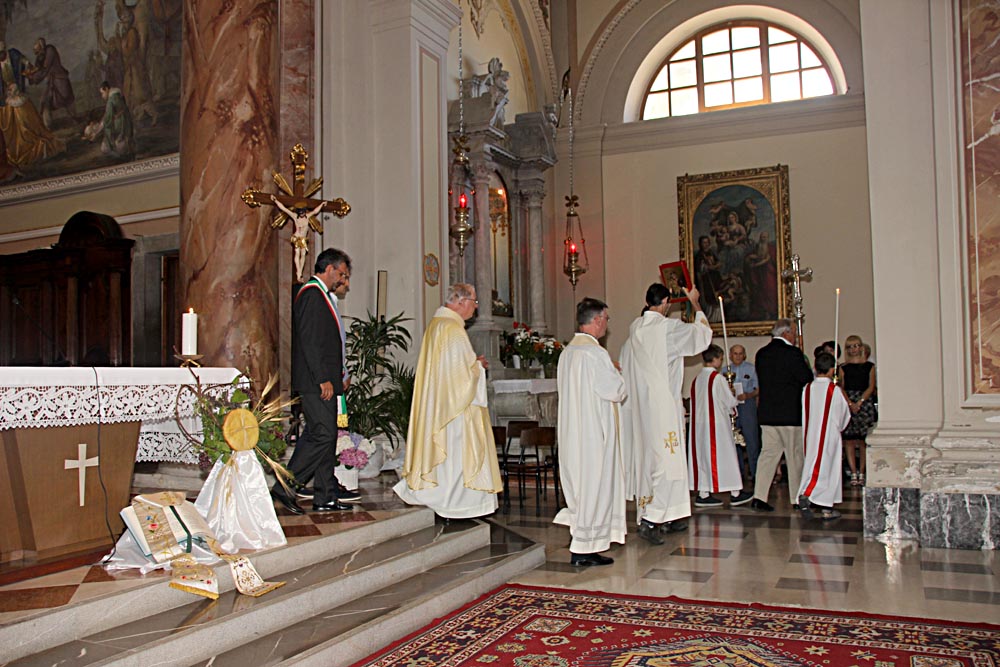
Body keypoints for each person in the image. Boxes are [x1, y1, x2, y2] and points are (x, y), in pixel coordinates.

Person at [394, 283, 502, 518]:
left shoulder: (438, 325)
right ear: (461, 302)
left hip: (441, 406)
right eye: (474, 302)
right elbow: (460, 379)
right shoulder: (452, 329)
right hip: (454, 412)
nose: (475, 307)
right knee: (455, 458)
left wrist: (473, 365)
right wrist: (478, 367)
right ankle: (453, 502)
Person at [619, 283, 711, 545]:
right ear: (667, 302)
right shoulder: (666, 328)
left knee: (655, 462)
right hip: (663, 407)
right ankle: (651, 519)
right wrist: (695, 303)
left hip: (642, 408)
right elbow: (701, 337)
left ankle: (670, 514)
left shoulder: (636, 329)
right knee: (666, 464)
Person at [271, 248, 354, 514]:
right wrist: (322, 379)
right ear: (329, 269)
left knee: (324, 436)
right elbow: (310, 341)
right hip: (315, 382)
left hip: (325, 380)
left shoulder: (322, 296)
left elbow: (329, 342)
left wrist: (338, 376)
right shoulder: (311, 295)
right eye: (342, 275)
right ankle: (284, 487)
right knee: (322, 434)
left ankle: (325, 496)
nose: (344, 281)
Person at [554, 298, 627, 566]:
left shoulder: (568, 353)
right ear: (596, 320)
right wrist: (617, 374)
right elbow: (616, 391)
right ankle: (585, 549)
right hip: (593, 434)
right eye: (606, 319)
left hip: (573, 433)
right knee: (595, 488)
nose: (607, 324)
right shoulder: (595, 353)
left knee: (581, 490)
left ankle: (584, 545)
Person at [751, 318, 814, 512]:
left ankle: (759, 496)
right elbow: (806, 378)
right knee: (794, 455)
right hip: (789, 414)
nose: (795, 336)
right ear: (786, 333)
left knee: (768, 455)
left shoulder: (762, 354)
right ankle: (796, 497)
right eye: (794, 332)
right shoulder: (793, 353)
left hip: (767, 413)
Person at [689, 344, 754, 508]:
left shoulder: (697, 379)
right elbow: (729, 401)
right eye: (721, 358)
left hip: (700, 426)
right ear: (716, 359)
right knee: (727, 457)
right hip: (716, 425)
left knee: (703, 458)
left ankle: (703, 493)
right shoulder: (717, 378)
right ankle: (735, 493)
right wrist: (733, 397)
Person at [797, 352, 851, 520]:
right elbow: (843, 414)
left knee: (816, 465)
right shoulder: (834, 390)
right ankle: (806, 495)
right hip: (828, 435)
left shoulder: (807, 388)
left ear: (815, 368)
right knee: (825, 467)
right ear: (832, 370)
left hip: (811, 433)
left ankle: (827, 507)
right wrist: (839, 428)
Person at [839, 335, 877, 486]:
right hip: (849, 401)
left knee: (863, 440)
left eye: (856, 346)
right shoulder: (842, 367)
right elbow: (841, 387)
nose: (854, 349)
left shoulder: (869, 366)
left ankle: (862, 471)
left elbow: (871, 386)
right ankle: (853, 472)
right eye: (850, 347)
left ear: (861, 347)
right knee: (849, 440)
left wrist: (860, 402)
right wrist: (850, 403)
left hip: (864, 402)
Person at [0, 82, 65, 166]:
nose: (7, 92)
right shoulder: (14, 103)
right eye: (8, 90)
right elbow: (6, 116)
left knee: (28, 142)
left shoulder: (21, 102)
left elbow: (32, 120)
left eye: (9, 90)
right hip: (19, 135)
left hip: (27, 134)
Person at [270, 195, 325, 283]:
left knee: (303, 254)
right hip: (297, 237)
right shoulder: (295, 216)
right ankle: (298, 272)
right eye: (301, 213)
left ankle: (300, 272)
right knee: (297, 253)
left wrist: (321, 204)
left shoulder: (307, 216)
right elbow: (284, 209)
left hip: (303, 239)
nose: (302, 214)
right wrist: (275, 200)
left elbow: (315, 211)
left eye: (303, 212)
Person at [26, 38, 76, 129]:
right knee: (45, 101)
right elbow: (38, 68)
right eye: (36, 52)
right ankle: (47, 126)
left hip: (60, 80)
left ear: (41, 47)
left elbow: (45, 69)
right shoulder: (41, 56)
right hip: (51, 82)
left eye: (38, 51)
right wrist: (31, 73)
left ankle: (74, 119)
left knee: (67, 99)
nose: (37, 54)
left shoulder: (50, 50)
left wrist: (33, 78)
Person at [729, 344, 761, 479]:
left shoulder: (751, 369)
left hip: (747, 405)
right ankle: (738, 474)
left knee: (751, 440)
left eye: (740, 353)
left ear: (744, 355)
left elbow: (758, 389)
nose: (738, 356)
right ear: (730, 355)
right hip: (732, 407)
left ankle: (755, 474)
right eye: (735, 353)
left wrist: (748, 395)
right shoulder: (725, 370)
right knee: (733, 440)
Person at [83, 82, 134, 158]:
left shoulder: (111, 100)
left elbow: (107, 119)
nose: (102, 96)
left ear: (106, 89)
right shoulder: (118, 95)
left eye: (102, 93)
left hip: (119, 124)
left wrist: (96, 133)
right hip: (126, 122)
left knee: (105, 148)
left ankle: (117, 149)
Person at [0, 42, 28, 107]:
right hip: (6, 89)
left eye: (1, 53)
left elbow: (22, 59)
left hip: (16, 84)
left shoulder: (12, 53)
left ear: (4, 51)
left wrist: (28, 64)